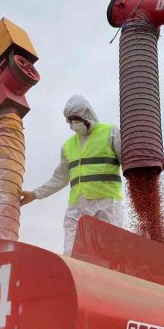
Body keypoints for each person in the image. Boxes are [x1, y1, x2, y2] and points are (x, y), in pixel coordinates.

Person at [20, 94, 123, 255]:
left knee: (108, 253)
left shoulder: (110, 132)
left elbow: (130, 159)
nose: (74, 124)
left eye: (77, 119)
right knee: (71, 253)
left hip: (105, 203)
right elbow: (59, 177)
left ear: (87, 116)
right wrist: (35, 194)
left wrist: (146, 168)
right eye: (70, 120)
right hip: (77, 206)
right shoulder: (68, 146)